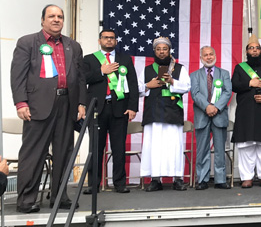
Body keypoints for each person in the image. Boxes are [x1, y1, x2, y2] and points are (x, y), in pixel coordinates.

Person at [11, 4, 87, 213]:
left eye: (60, 17)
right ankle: (26, 200)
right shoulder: (28, 42)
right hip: (37, 106)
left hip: (67, 105)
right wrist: (21, 103)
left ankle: (59, 197)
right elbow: (17, 76)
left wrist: (81, 103)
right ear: (43, 20)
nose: (56, 20)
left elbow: (80, 78)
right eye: (51, 16)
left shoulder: (74, 45)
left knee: (64, 153)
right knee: (33, 154)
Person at [82, 29, 138, 194]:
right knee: (96, 148)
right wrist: (102, 72)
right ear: (99, 41)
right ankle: (93, 185)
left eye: (112, 38)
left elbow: (133, 84)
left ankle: (120, 183)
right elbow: (83, 79)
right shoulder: (90, 59)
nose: (108, 40)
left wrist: (133, 107)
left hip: (119, 109)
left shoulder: (124, 59)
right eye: (105, 38)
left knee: (119, 148)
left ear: (116, 41)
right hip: (96, 109)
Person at [139, 37, 191, 191]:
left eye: (165, 49)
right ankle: (155, 179)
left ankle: (177, 178)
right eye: (158, 49)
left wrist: (173, 82)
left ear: (169, 51)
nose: (162, 52)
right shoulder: (147, 69)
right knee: (154, 146)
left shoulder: (180, 69)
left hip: (172, 112)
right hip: (153, 113)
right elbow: (138, 89)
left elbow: (187, 86)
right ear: (154, 51)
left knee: (174, 146)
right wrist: (149, 85)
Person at [232, 35, 261, 188]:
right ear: (247, 51)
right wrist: (249, 83)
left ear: (260, 51)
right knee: (246, 146)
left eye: (257, 48)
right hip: (245, 111)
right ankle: (247, 177)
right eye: (251, 48)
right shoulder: (240, 68)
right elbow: (234, 86)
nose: (254, 50)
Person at [191, 46, 232, 190]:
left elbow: (228, 92)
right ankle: (202, 179)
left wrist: (216, 107)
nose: (209, 57)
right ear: (201, 58)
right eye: (205, 55)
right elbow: (195, 94)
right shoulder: (194, 75)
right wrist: (207, 106)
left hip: (219, 114)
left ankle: (220, 179)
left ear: (215, 56)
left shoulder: (224, 73)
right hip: (202, 115)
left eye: (211, 54)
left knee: (220, 149)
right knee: (202, 149)